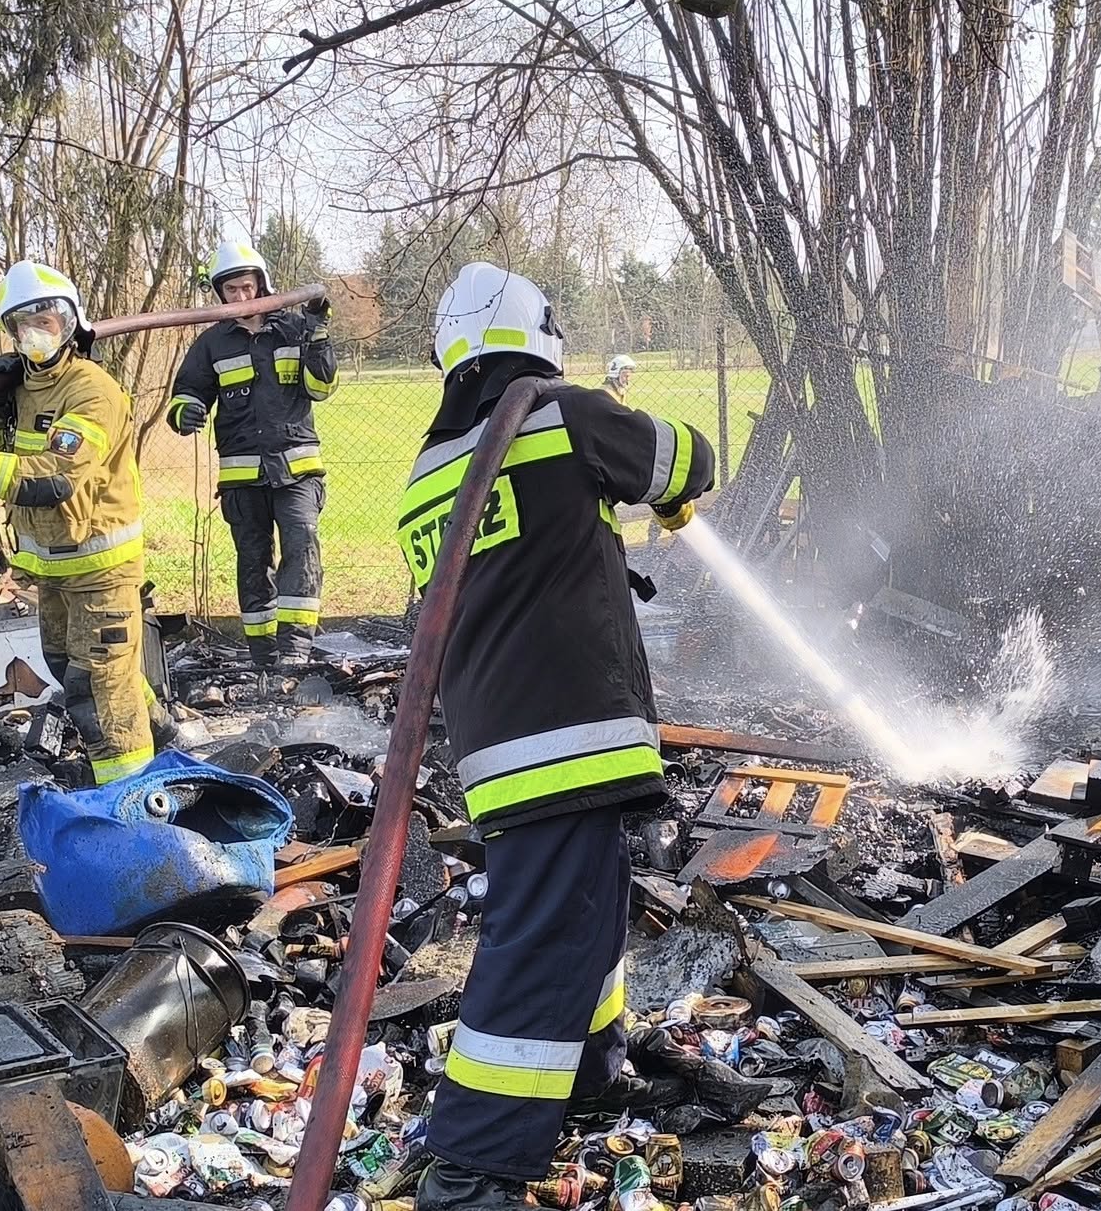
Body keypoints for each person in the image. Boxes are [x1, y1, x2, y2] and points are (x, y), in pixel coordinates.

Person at [399, 262, 715, 1211]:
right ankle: (470, 1162)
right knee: (539, 934)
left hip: (500, 739)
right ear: (539, 334)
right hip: (565, 731)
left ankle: (589, 1070)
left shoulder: (428, 464)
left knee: (588, 906)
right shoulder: (562, 413)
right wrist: (657, 493)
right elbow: (688, 459)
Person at [0, 260, 167, 784]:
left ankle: (131, 801)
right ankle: (162, 736)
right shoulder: (23, 390)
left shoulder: (92, 391)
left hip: (101, 573)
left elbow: (53, 479)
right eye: (23, 324)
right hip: (54, 573)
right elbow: (11, 452)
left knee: (98, 692)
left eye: (47, 320)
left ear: (71, 323)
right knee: (77, 670)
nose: (36, 333)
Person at [165, 235, 334, 669]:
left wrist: (318, 333)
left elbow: (321, 388)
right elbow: (187, 392)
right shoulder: (212, 344)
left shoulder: (296, 329)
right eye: (231, 290)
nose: (240, 297)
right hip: (242, 478)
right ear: (219, 293)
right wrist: (186, 412)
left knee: (302, 545)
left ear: (262, 285)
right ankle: (263, 656)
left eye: (247, 288)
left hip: (297, 472)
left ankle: (295, 651)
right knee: (254, 562)